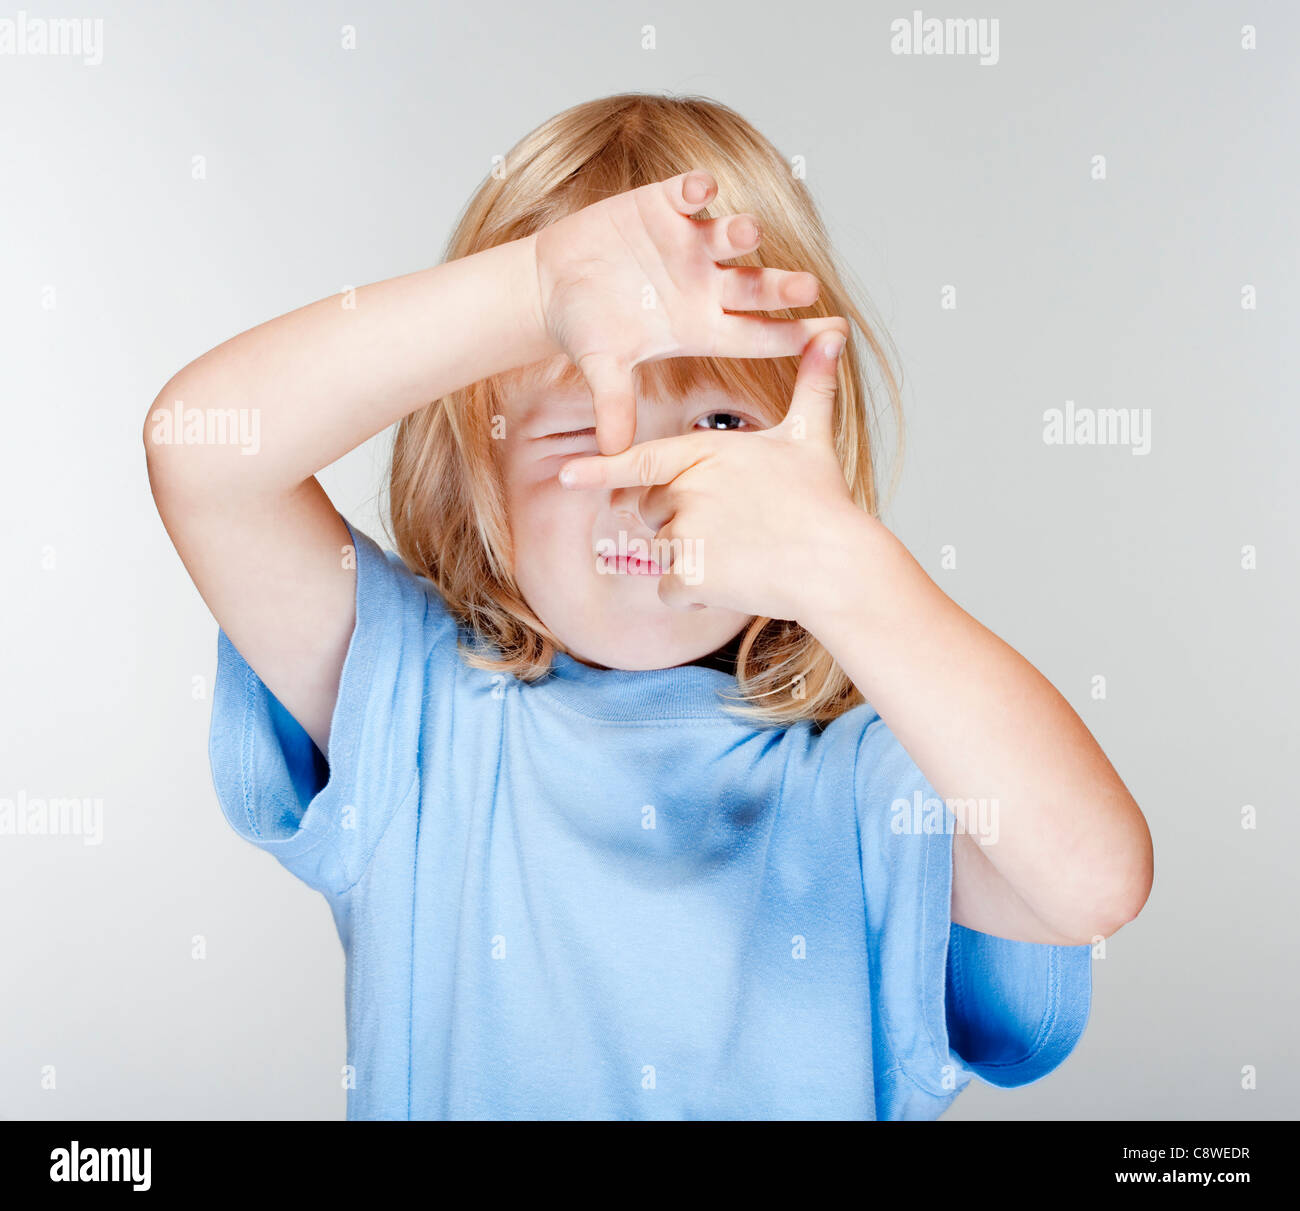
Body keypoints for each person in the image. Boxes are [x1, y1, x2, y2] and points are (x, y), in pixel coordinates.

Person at [143, 93, 1152, 1120]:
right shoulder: (412, 716)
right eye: (583, 428)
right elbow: (204, 452)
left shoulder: (866, 784)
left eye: (720, 420)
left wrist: (846, 568)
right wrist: (534, 292)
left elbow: (1092, 880)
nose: (650, 480)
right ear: (479, 464)